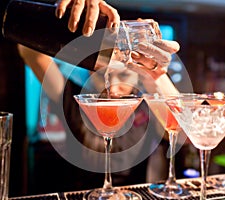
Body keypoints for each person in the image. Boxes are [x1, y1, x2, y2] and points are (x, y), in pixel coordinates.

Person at [18, 0, 181, 194]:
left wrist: (156, 76)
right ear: (89, 73)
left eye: (122, 76)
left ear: (138, 76)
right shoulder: (71, 96)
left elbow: (181, 128)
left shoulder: (148, 104)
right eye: (104, 77)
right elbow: (29, 52)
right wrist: (60, 16)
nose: (112, 89)